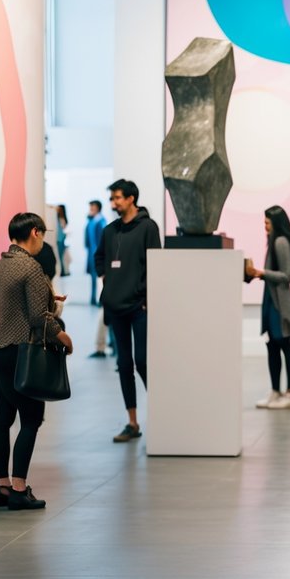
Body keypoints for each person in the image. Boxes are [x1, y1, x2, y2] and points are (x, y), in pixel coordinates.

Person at [0, 212, 73, 511]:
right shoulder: (30, 268)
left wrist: (50, 300)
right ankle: (19, 489)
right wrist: (63, 338)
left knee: (2, 418)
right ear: (35, 232)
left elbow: (12, 307)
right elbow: (36, 318)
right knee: (31, 418)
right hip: (18, 352)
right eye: (43, 233)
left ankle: (2, 487)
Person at [95, 179, 161, 443]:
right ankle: (132, 422)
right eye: (112, 198)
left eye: (118, 198)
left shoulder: (148, 227)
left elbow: (156, 262)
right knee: (123, 364)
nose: (114, 203)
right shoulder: (110, 231)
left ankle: (161, 413)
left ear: (131, 198)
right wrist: (106, 278)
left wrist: (145, 296)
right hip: (115, 306)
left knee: (143, 361)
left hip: (139, 307)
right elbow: (99, 257)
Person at [246, 205, 290, 410]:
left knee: (284, 345)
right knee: (272, 345)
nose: (265, 226)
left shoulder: (280, 242)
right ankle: (275, 391)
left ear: (276, 223)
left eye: (267, 222)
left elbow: (286, 276)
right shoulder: (274, 241)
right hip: (272, 300)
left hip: (279, 303)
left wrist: (260, 273)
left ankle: (288, 393)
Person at [85, 200, 106, 306]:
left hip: (97, 254)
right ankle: (94, 298)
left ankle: (99, 299)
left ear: (97, 208)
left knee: (99, 277)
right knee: (93, 277)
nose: (90, 210)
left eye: (92, 207)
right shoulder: (92, 221)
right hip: (92, 254)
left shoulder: (100, 221)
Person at [55, 204, 70, 277]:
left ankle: (62, 271)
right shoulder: (59, 219)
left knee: (60, 256)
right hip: (60, 239)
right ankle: (62, 271)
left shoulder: (61, 219)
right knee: (60, 256)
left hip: (60, 239)